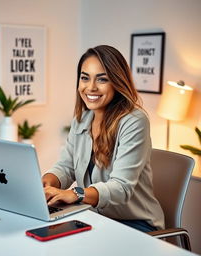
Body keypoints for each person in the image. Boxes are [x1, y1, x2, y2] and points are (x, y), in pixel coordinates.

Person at [42, 45, 164, 232]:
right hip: (93, 217)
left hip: (134, 224)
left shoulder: (134, 121)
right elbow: (66, 167)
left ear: (117, 82)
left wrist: (76, 194)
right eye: (85, 78)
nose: (91, 87)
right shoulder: (82, 119)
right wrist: (46, 183)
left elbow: (121, 187)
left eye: (102, 79)